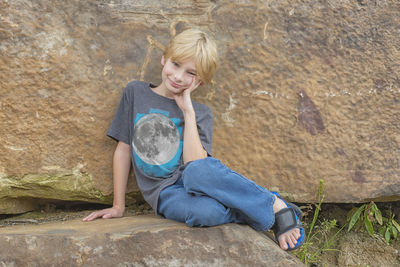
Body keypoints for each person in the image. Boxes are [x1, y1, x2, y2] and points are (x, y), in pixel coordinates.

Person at [83, 29, 305, 251]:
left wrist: (188, 113)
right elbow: (124, 150)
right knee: (207, 213)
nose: (178, 76)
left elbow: (196, 165)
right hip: (165, 192)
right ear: (164, 59)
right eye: (176, 64)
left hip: (198, 179)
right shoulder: (135, 93)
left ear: (201, 82)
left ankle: (274, 204)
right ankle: (268, 207)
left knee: (198, 171)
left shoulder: (201, 113)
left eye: (191, 73)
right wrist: (118, 206)